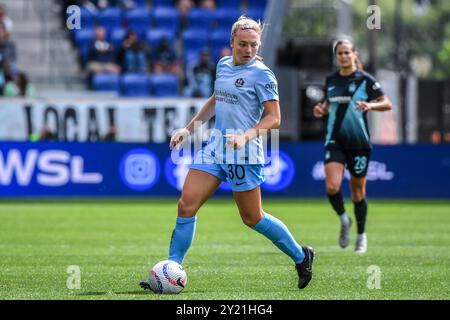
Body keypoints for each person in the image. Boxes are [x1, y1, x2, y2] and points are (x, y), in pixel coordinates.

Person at [140, 16, 314, 292]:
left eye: (254, 45)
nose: (248, 50)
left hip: (245, 153)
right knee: (186, 205)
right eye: (243, 44)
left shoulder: (263, 75)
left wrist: (246, 135)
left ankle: (301, 256)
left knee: (252, 218)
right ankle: (171, 270)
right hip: (215, 148)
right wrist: (189, 129)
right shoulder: (222, 65)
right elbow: (216, 99)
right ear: (231, 42)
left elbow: (274, 118)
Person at [313, 39, 392, 253]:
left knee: (358, 193)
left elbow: (387, 103)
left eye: (347, 52)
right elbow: (328, 104)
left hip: (359, 143)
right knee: (332, 186)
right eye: (340, 53)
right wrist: (321, 109)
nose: (344, 56)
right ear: (336, 56)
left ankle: (361, 235)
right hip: (335, 140)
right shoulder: (331, 80)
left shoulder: (365, 80)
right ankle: (343, 219)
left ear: (354, 54)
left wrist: (371, 105)